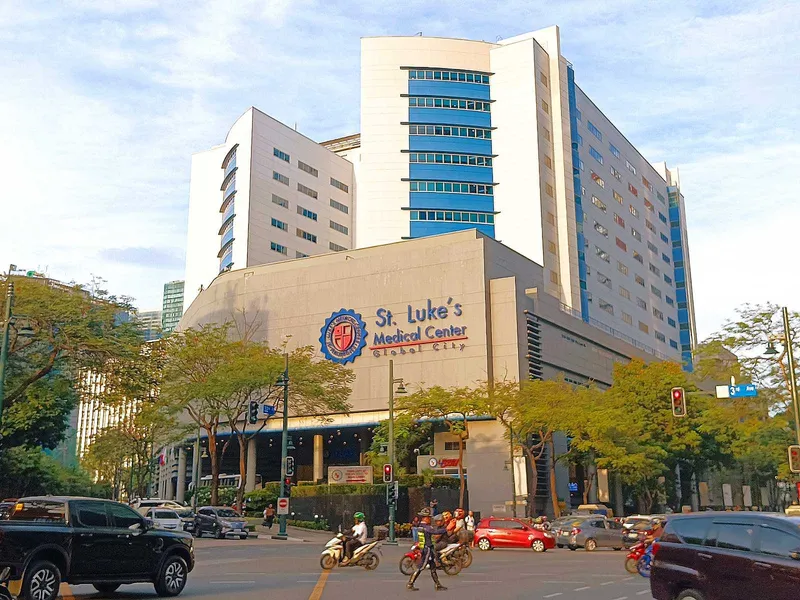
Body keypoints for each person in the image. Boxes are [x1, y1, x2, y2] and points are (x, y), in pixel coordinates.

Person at [407, 512, 448, 591]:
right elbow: (436, 532)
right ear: (425, 518)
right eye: (429, 517)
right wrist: (444, 530)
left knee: (433, 567)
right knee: (421, 567)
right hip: (427, 549)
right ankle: (410, 583)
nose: (430, 519)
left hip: (426, 548)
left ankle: (438, 584)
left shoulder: (420, 526)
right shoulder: (426, 527)